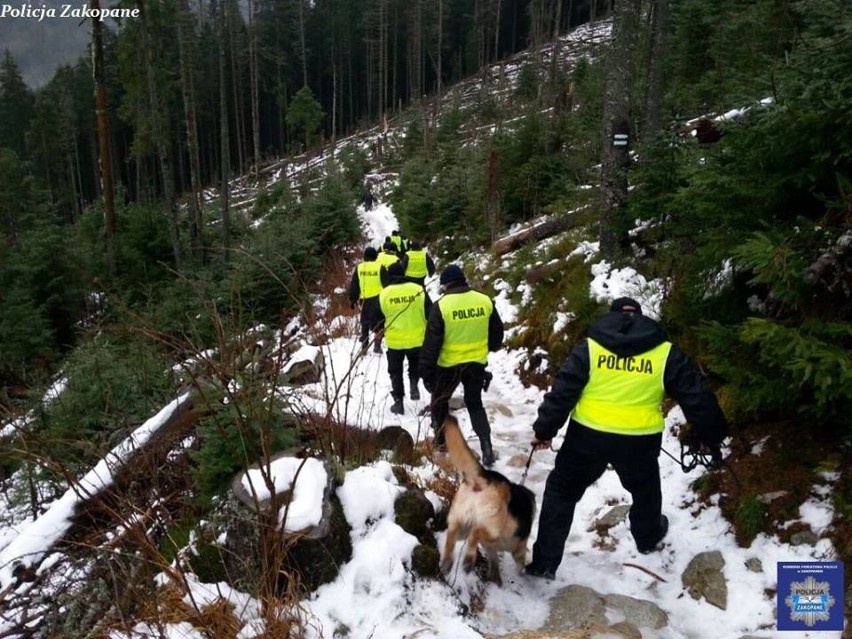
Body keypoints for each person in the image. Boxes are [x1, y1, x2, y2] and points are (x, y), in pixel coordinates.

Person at [524, 297, 729, 580]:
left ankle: (544, 563)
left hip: (586, 437)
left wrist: (544, 430)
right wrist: (714, 434)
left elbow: (563, 391)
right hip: (638, 440)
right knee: (645, 489)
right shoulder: (664, 353)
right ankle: (648, 538)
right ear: (641, 318)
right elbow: (696, 396)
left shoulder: (591, 348)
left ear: (612, 317)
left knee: (561, 491)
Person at [419, 264, 504, 466]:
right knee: (475, 404)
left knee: (440, 402)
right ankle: (486, 446)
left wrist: (425, 369)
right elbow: (497, 333)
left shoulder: (442, 306)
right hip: (476, 364)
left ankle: (440, 442)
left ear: (445, 285)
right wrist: (490, 347)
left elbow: (432, 342)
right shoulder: (484, 301)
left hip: (448, 366)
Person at [378, 262, 433, 415]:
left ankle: (398, 402)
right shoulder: (418, 290)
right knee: (414, 364)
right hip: (417, 339)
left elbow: (377, 317)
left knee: (395, 371)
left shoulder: (385, 293)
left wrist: (380, 331)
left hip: (395, 341)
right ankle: (414, 384)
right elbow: (431, 313)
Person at [348, 246, 383, 354]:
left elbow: (354, 285)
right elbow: (387, 284)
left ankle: (364, 346)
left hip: (364, 300)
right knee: (379, 323)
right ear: (375, 256)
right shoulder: (380, 267)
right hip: (378, 300)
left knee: (365, 323)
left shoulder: (359, 268)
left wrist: (353, 300)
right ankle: (377, 345)